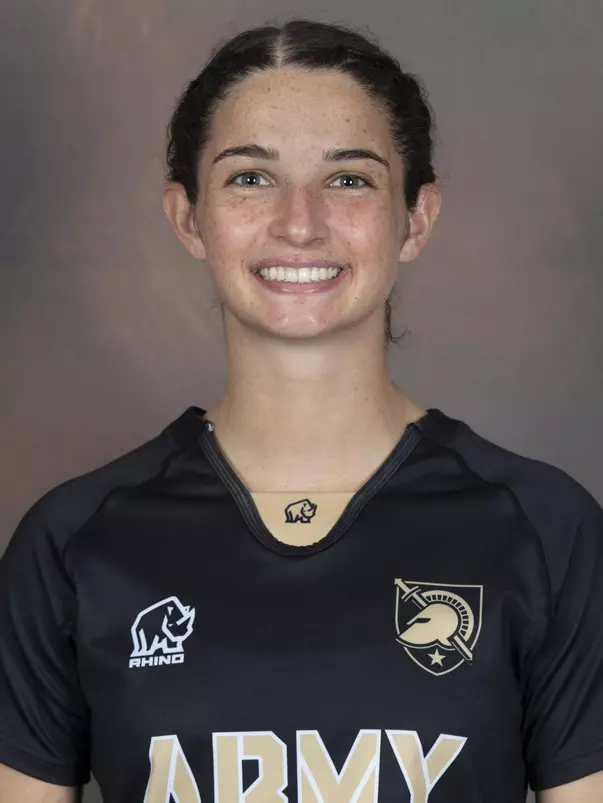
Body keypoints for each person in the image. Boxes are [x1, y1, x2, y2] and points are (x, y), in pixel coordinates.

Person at [0, 18, 602, 803]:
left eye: (348, 179)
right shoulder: (73, 542)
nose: (298, 222)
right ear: (188, 217)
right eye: (250, 177)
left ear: (415, 219)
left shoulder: (545, 530)